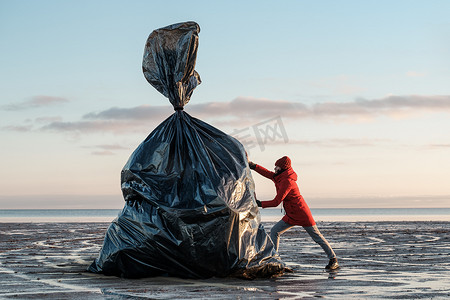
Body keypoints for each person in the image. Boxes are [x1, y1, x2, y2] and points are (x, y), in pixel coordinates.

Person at [248, 156, 339, 270]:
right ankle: (274, 258)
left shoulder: (287, 181)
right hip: (291, 214)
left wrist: (259, 203)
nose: (275, 168)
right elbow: (268, 173)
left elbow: (276, 202)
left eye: (277, 166)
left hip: (302, 213)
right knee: (275, 231)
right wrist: (253, 165)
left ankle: (333, 259)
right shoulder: (280, 176)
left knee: (317, 237)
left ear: (282, 168)